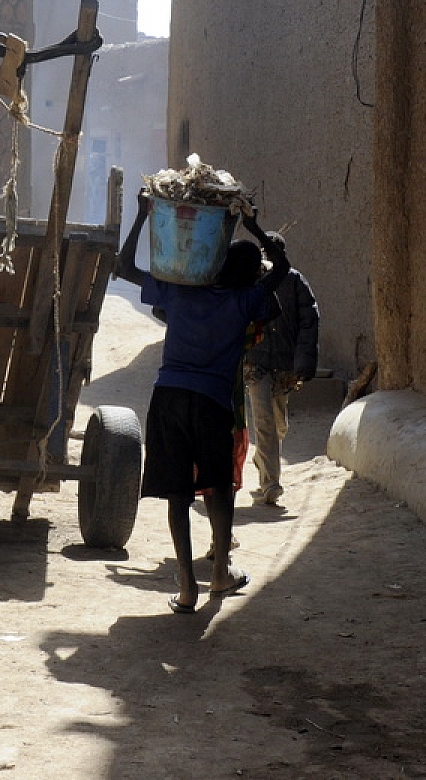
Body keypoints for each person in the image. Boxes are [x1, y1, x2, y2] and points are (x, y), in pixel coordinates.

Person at [114, 190, 288, 613]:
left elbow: (123, 268)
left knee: (179, 492)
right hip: (212, 402)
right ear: (249, 276)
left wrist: (142, 216)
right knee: (219, 486)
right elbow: (281, 267)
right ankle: (221, 572)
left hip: (169, 397)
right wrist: (253, 226)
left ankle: (187, 587)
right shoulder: (245, 301)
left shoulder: (182, 293)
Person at [243, 232, 320, 508]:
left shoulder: (296, 281)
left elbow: (309, 322)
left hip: (284, 365)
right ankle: (271, 484)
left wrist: (303, 362)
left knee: (278, 424)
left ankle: (263, 459)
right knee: (264, 421)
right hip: (257, 363)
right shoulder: (253, 279)